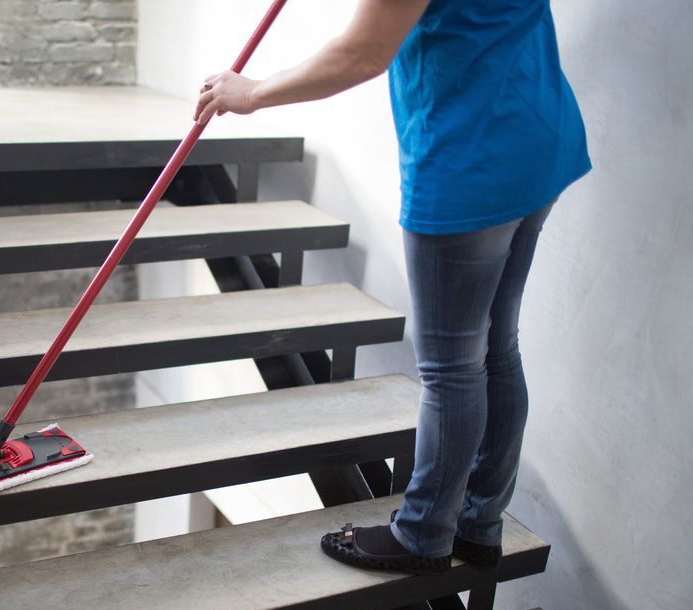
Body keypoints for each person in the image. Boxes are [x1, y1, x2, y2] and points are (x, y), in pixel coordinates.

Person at [195, 0, 590, 575]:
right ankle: (479, 526)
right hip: (536, 141)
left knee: (454, 366)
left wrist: (249, 93)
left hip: (469, 168)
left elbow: (362, 52)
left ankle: (425, 534)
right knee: (496, 348)